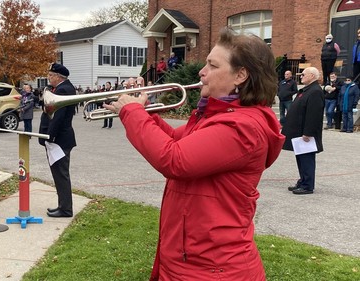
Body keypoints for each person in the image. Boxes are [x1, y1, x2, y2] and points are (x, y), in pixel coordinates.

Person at [104, 28, 285, 280]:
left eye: (212, 65)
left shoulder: (241, 127)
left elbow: (174, 159)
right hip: (192, 258)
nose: (202, 71)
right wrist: (145, 114)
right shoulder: (219, 117)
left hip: (213, 267)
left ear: (240, 75)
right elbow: (175, 142)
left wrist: (133, 114)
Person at [38, 63, 77, 218]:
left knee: (61, 175)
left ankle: (66, 209)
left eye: (51, 75)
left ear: (58, 77)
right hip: (61, 138)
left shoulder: (63, 89)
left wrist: (49, 136)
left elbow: (58, 117)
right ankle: (63, 206)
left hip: (59, 139)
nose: (49, 77)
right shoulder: (64, 87)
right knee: (60, 174)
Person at [282, 67, 325, 195]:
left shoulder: (315, 92)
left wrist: (308, 132)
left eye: (303, 75)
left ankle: (307, 185)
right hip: (298, 132)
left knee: (307, 159)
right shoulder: (307, 90)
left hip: (306, 133)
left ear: (312, 76)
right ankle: (303, 181)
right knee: (301, 158)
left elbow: (314, 114)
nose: (301, 77)